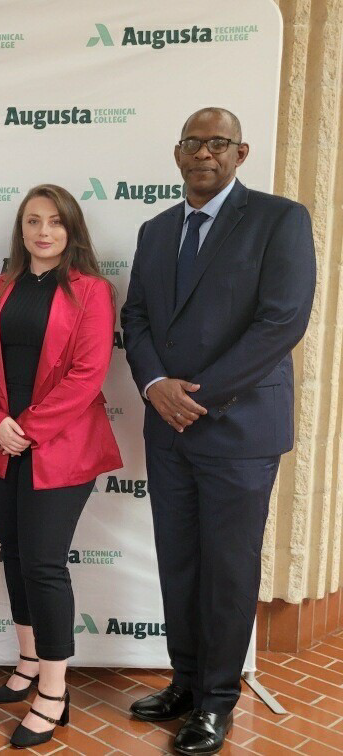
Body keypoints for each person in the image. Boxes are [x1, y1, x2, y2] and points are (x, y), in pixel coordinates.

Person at [122, 108, 316, 755]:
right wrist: (155, 387)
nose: (205, 153)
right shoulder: (154, 232)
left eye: (218, 142)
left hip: (239, 432)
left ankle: (216, 702)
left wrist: (196, 398)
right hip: (168, 432)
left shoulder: (278, 221)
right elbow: (139, 318)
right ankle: (184, 681)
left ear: (241, 152)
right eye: (193, 143)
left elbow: (282, 322)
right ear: (177, 154)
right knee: (179, 564)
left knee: (228, 571)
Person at [0, 185, 122, 748]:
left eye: (55, 222)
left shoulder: (93, 292)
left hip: (60, 446)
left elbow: (87, 376)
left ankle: (54, 692)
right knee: (13, 554)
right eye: (32, 221)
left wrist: (26, 428)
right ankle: (29, 659)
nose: (43, 231)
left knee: (44, 563)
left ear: (71, 229)